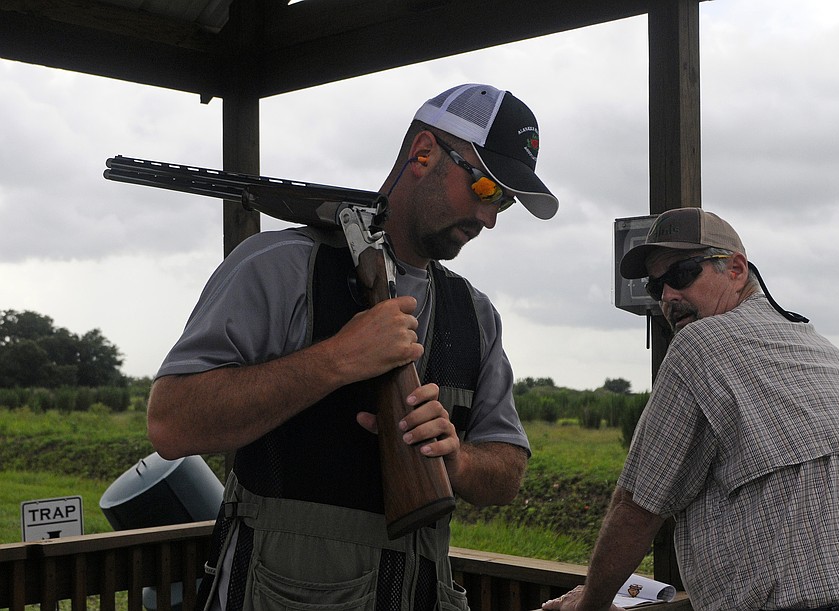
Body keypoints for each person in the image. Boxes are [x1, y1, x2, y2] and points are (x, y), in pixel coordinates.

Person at [146, 83, 559, 611]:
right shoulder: (278, 267)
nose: (490, 218)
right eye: (483, 188)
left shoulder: (475, 315)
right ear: (424, 153)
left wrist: (454, 459)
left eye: (504, 201)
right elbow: (171, 423)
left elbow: (506, 472)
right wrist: (337, 359)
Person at [542, 208, 839, 611]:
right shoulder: (824, 349)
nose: (668, 296)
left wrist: (591, 604)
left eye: (682, 274)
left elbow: (636, 506)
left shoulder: (697, 346)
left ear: (736, 269)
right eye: (657, 287)